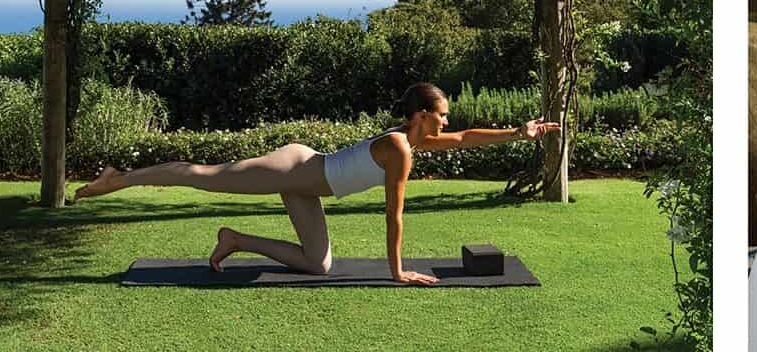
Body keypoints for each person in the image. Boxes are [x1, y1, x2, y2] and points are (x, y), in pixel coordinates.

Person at [74, 82, 559, 286]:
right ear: (420, 115)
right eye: (441, 114)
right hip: (292, 170)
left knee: (317, 264)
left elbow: (463, 139)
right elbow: (394, 214)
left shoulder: (409, 142)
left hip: (308, 186)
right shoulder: (400, 149)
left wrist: (519, 132)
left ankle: (235, 239)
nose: (447, 122)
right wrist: (397, 271)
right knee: (207, 177)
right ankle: (121, 179)